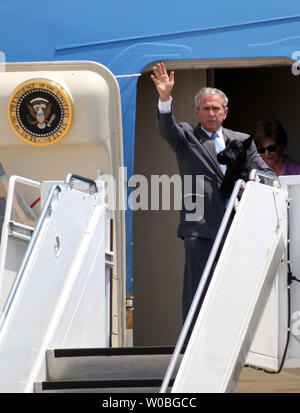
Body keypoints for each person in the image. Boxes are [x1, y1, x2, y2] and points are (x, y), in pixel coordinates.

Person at [151, 62, 272, 334]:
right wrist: (164, 98)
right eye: (205, 108)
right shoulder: (186, 136)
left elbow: (265, 175)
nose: (211, 113)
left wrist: (249, 184)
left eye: (216, 108)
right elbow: (166, 128)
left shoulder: (242, 140)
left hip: (238, 229)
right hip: (201, 228)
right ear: (197, 112)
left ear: (225, 112)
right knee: (197, 293)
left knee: (235, 290)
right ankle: (192, 349)